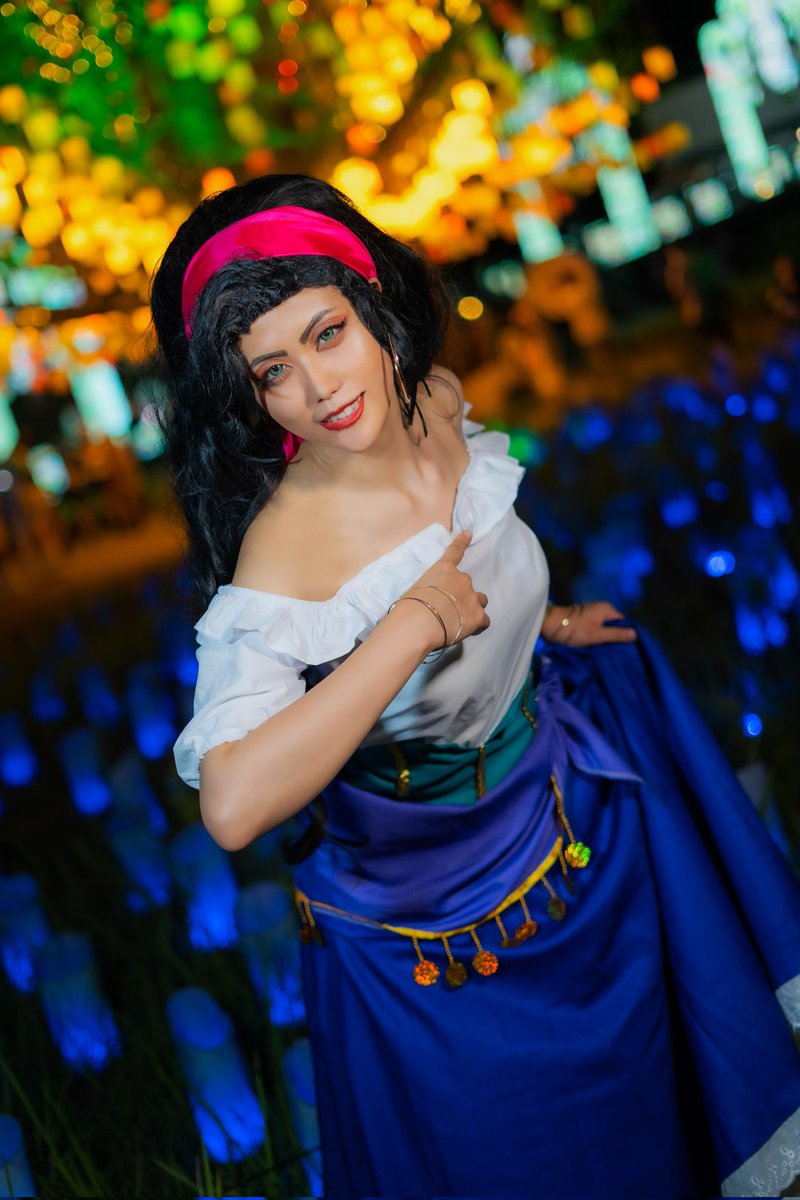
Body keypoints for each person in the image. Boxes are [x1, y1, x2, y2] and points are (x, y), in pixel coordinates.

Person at [152, 174, 800, 1198]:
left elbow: (484, 553)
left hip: (574, 820)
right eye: (274, 370)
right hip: (436, 928)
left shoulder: (437, 403)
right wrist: (407, 629)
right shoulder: (282, 551)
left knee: (657, 1107)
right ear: (248, 393)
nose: (318, 389)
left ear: (372, 304)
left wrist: (546, 622)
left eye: (328, 334)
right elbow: (232, 804)